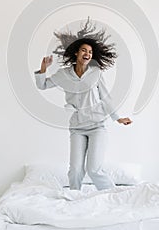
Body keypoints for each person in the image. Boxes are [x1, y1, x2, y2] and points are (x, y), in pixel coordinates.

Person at [34, 20, 132, 191]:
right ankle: (75, 199)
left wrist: (117, 118)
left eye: (90, 52)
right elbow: (42, 85)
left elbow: (105, 98)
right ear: (76, 53)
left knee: (93, 170)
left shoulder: (96, 73)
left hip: (97, 126)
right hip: (77, 128)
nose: (87, 54)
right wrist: (43, 70)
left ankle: (114, 195)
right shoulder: (63, 75)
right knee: (75, 171)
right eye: (84, 50)